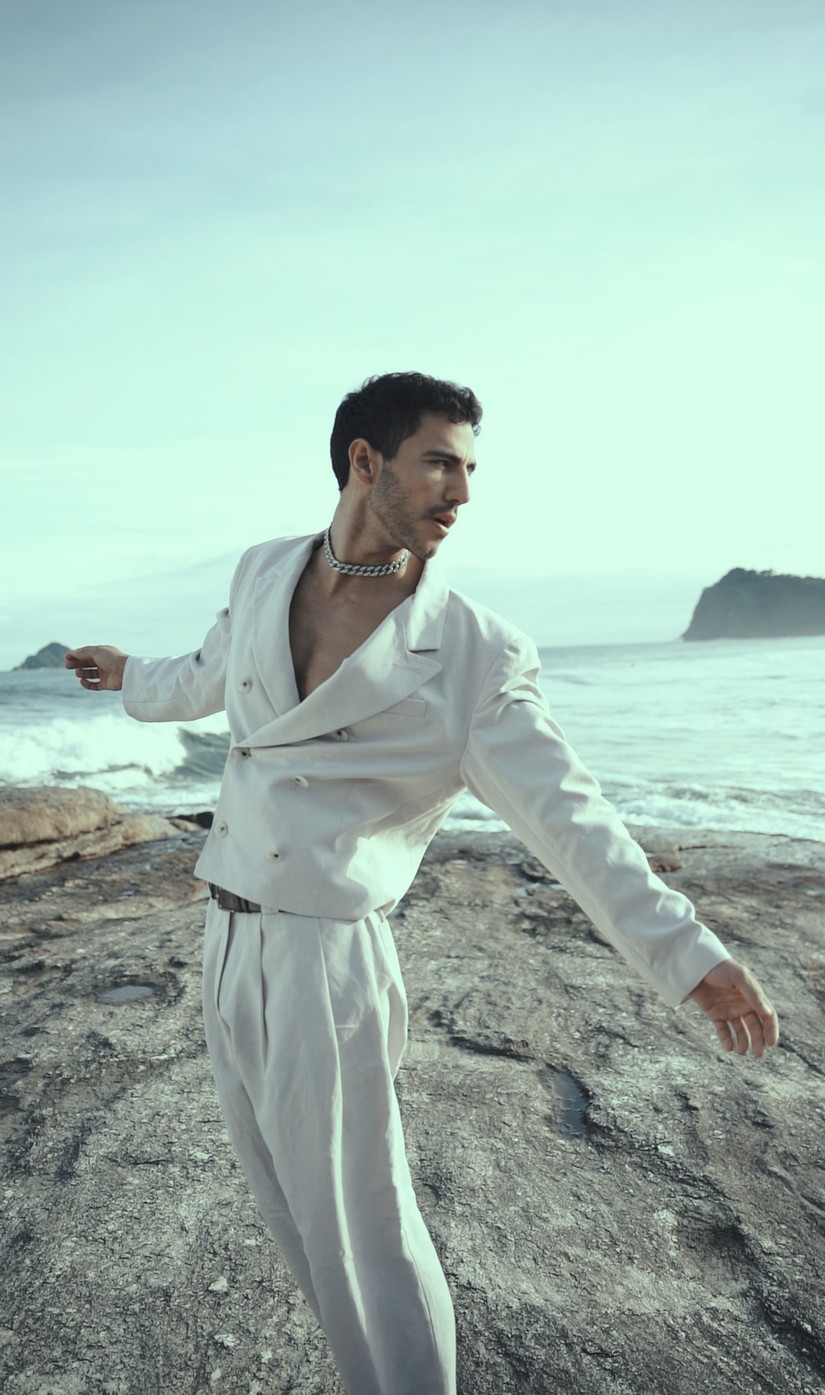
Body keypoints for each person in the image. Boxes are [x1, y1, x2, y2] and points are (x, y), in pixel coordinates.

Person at [66, 371, 778, 1395]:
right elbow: (212, 672)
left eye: (470, 468)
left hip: (325, 960)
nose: (463, 491)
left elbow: (568, 816)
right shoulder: (265, 570)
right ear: (367, 461)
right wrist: (128, 676)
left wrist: (687, 955)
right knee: (295, 1219)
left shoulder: (473, 654)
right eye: (441, 462)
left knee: (365, 1235)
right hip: (223, 932)